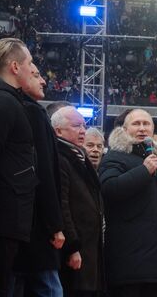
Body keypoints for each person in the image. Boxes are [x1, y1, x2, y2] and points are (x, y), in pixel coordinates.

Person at [99, 109, 157, 297]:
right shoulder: (114, 157)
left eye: (146, 124)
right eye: (136, 124)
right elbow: (109, 189)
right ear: (124, 129)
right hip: (128, 263)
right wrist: (143, 171)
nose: (142, 128)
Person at [0, 38, 38, 297]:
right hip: (3, 214)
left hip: (8, 213)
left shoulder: (6, 100)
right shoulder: (3, 102)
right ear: (15, 67)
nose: (32, 68)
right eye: (29, 63)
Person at [14, 63, 65, 296]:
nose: (43, 81)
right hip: (37, 228)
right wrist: (55, 225)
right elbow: (45, 173)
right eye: (36, 75)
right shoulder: (33, 112)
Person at [52, 106, 104, 296]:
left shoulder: (80, 157)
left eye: (83, 125)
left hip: (89, 250)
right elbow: (63, 205)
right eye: (76, 126)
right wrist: (72, 247)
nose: (83, 130)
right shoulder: (59, 157)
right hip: (74, 251)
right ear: (58, 131)